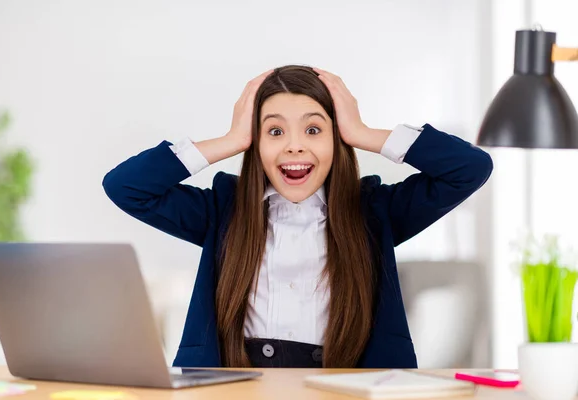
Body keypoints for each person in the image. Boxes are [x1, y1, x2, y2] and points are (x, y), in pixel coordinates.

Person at [102, 65, 493, 369]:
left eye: (313, 129)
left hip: (342, 387)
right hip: (236, 388)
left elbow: (470, 168)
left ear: (337, 139)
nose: (294, 146)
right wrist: (229, 141)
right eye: (274, 131)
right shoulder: (223, 210)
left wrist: (363, 131)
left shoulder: (375, 212)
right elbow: (126, 186)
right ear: (255, 141)